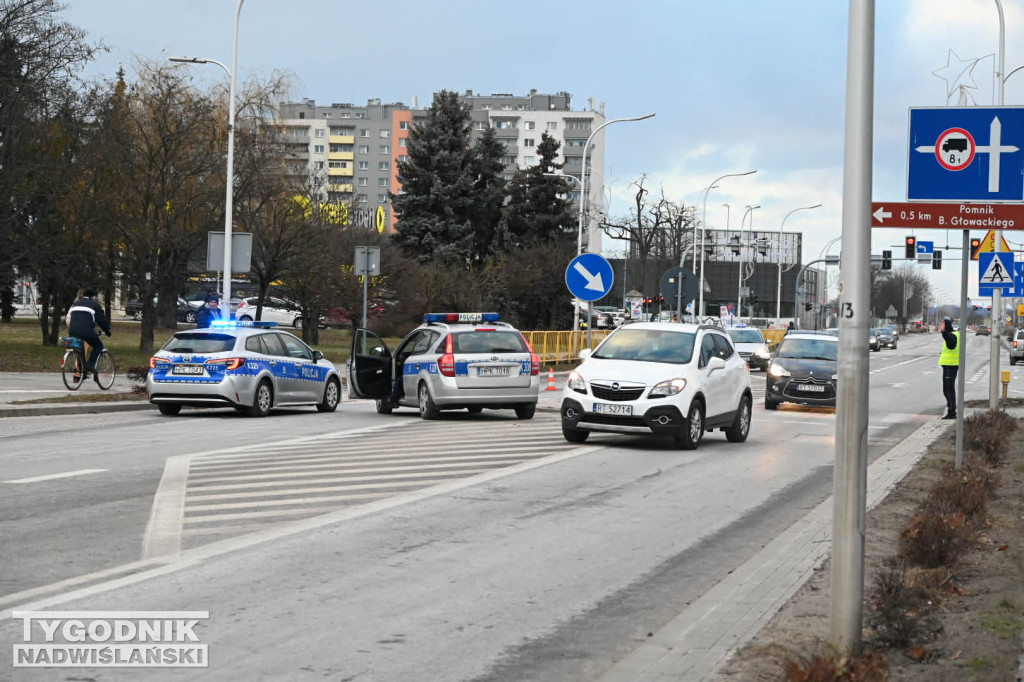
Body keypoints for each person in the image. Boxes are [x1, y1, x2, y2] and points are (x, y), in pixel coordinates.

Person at [66, 288, 111, 382]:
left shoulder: (76, 303)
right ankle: (90, 365)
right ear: (93, 296)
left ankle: (80, 371)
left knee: (80, 351)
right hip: (87, 331)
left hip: (73, 331)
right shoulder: (95, 304)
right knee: (98, 346)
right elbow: (101, 320)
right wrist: (107, 331)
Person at [939, 317, 960, 419]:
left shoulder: (951, 335)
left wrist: (943, 332)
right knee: (949, 389)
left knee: (947, 390)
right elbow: (951, 348)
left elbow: (951, 345)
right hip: (950, 365)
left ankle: (952, 411)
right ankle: (952, 410)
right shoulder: (954, 335)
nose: (940, 326)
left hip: (950, 366)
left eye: (942, 324)